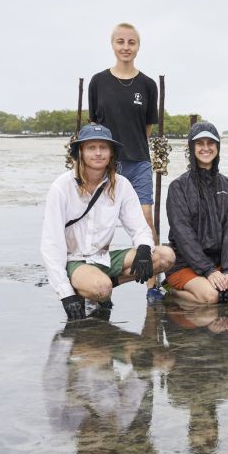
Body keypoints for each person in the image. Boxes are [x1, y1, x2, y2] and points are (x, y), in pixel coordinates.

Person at [41, 124, 174, 320]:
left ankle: (105, 283)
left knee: (165, 256)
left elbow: (139, 228)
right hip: (74, 260)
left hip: (103, 258)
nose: (98, 153)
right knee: (101, 289)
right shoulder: (61, 187)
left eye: (103, 148)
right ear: (80, 152)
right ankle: (87, 286)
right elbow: (51, 244)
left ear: (111, 153)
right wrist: (65, 293)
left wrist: (144, 249)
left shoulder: (121, 184)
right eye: (91, 148)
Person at [87, 23, 161, 300]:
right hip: (105, 164)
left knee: (145, 221)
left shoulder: (147, 85)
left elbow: (147, 128)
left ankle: (154, 286)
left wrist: (133, 146)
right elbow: (95, 125)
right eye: (120, 42)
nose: (125, 47)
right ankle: (95, 284)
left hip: (139, 161)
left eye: (131, 42)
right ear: (113, 45)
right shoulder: (98, 82)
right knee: (99, 223)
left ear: (138, 46)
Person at [165, 122, 228, 304]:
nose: (206, 148)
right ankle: (171, 291)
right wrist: (208, 270)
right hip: (185, 262)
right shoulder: (178, 187)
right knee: (211, 296)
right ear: (192, 147)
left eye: (211, 143)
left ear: (218, 147)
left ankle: (224, 278)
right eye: (200, 143)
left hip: (219, 264)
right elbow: (183, 235)